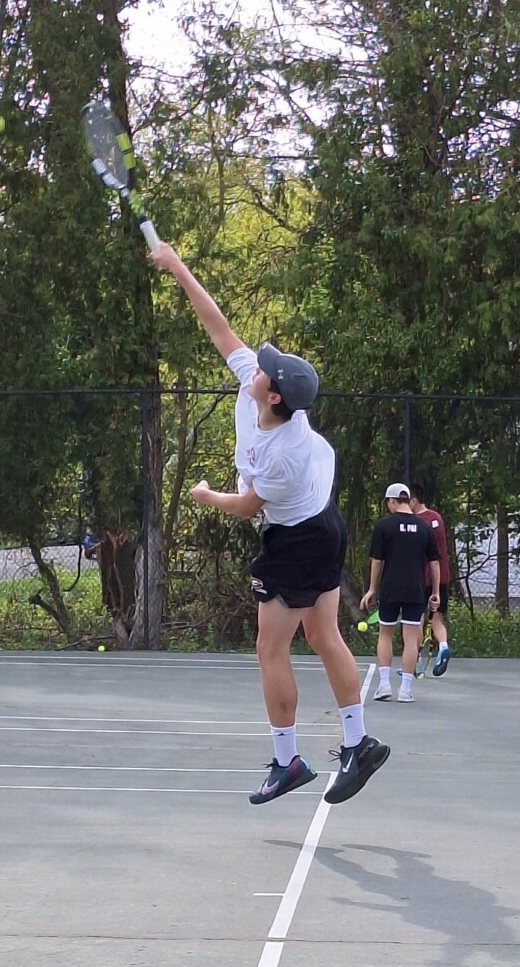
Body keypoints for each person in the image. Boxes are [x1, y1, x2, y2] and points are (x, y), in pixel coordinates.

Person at [151, 241, 390, 805]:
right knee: (323, 633)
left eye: (265, 369)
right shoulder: (259, 388)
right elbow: (218, 326)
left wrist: (207, 494)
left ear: (275, 394)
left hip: (299, 539)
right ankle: (358, 744)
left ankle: (288, 762)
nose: (253, 365)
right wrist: (178, 264)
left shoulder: (282, 452)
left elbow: (246, 507)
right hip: (324, 525)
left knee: (270, 649)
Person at [359, 483, 440, 702]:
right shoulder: (424, 528)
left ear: (392, 501)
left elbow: (377, 561)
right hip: (415, 590)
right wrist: (435, 591)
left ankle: (384, 685)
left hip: (390, 588)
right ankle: (405, 690)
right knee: (410, 637)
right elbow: (434, 563)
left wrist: (372, 589)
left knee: (385, 633)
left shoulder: (384, 526)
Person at [410, 482, 452, 676]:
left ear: (414, 500)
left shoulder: (415, 522)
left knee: (416, 620)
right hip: (442, 577)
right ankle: (443, 646)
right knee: (437, 618)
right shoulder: (437, 518)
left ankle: (415, 662)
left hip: (423, 578)